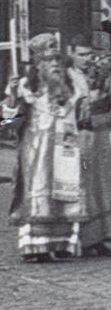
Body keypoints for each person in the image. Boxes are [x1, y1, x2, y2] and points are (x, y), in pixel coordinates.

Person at [4, 34, 91, 261]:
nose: (54, 65)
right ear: (38, 65)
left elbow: (81, 115)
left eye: (57, 60)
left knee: (64, 193)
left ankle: (62, 244)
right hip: (37, 151)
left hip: (65, 146)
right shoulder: (25, 87)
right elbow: (7, 120)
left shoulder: (71, 88)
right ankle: (37, 247)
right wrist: (12, 98)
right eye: (48, 60)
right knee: (40, 193)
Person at [73, 38, 111, 255]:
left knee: (104, 186)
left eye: (89, 54)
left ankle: (102, 236)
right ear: (72, 54)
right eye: (81, 54)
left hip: (102, 138)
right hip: (81, 138)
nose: (86, 59)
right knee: (84, 186)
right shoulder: (69, 78)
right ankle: (81, 238)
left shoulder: (103, 78)